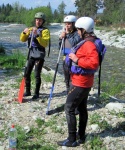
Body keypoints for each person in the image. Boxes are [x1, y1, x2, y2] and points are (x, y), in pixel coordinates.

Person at [57, 17, 99, 147]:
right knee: (82, 108)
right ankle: (81, 136)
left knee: (69, 108)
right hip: (84, 82)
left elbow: (94, 63)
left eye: (79, 29)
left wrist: (76, 60)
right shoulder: (87, 42)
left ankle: (71, 139)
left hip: (80, 82)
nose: (78, 32)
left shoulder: (89, 44)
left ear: (83, 30)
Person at [20, 12, 50, 100]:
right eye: (37, 20)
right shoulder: (30, 29)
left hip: (39, 55)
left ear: (43, 21)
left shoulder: (45, 31)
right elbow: (22, 39)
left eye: (40, 20)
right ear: (35, 20)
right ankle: (28, 91)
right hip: (31, 54)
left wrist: (37, 35)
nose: (38, 22)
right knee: (26, 73)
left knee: (37, 74)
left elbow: (44, 44)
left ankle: (36, 93)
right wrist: (24, 33)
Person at [59, 15, 81, 94]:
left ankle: (73, 91)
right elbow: (60, 47)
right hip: (65, 57)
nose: (67, 26)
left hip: (73, 58)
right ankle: (68, 89)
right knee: (66, 76)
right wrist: (61, 38)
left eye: (69, 24)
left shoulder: (78, 33)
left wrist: (67, 34)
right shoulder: (64, 33)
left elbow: (74, 43)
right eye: (66, 24)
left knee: (73, 76)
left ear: (73, 24)